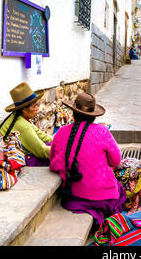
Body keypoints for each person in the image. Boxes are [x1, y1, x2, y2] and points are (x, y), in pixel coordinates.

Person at [49, 92, 126, 227]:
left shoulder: (60, 132)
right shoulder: (102, 131)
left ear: (73, 113)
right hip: (105, 199)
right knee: (121, 190)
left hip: (74, 197)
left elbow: (53, 161)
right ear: (93, 116)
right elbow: (116, 161)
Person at [0, 82, 53, 166]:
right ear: (24, 109)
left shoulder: (20, 116)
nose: (37, 109)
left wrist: (60, 141)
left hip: (21, 152)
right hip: (17, 160)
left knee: (54, 145)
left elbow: (42, 135)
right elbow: (41, 151)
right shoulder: (23, 126)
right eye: (34, 106)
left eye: (37, 105)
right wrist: (66, 151)